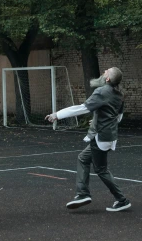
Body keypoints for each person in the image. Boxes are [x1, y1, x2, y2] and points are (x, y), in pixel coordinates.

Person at [46, 67, 131, 212]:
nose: (104, 71)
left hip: (101, 136)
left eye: (107, 71)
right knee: (83, 158)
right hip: (109, 135)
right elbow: (118, 116)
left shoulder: (102, 91)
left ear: (108, 79)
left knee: (101, 169)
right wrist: (100, 120)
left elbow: (83, 108)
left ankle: (119, 199)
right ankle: (83, 194)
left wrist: (57, 115)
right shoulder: (119, 94)